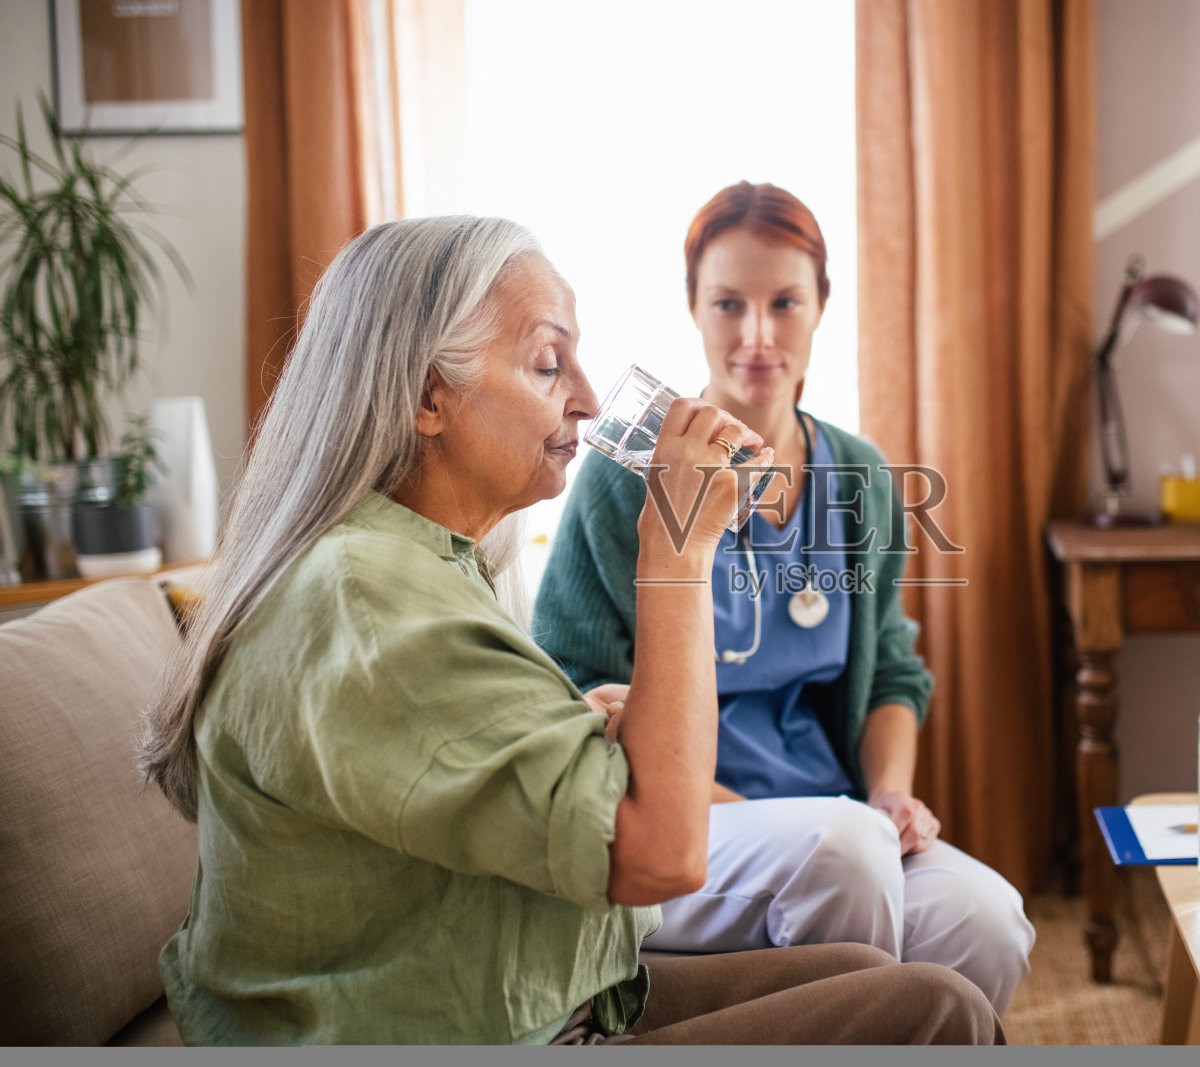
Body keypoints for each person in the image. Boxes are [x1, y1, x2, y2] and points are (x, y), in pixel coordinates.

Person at [135, 215, 1002, 1045]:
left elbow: (891, 668)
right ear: (429, 397)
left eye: (785, 302)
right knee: (934, 1011)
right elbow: (662, 851)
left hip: (545, 990)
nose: (588, 400)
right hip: (472, 1022)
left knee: (893, 960)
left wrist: (572, 719)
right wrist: (678, 548)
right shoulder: (371, 603)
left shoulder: (417, 566)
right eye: (549, 365)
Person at [534, 182, 1036, 1016]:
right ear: (692, 305)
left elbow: (892, 678)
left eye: (785, 303)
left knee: (987, 919)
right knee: (841, 855)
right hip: (693, 821)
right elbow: (574, 695)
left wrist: (889, 797)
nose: (757, 336)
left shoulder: (863, 478)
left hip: (839, 813)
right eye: (729, 303)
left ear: (822, 306)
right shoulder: (625, 484)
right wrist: (815, 822)